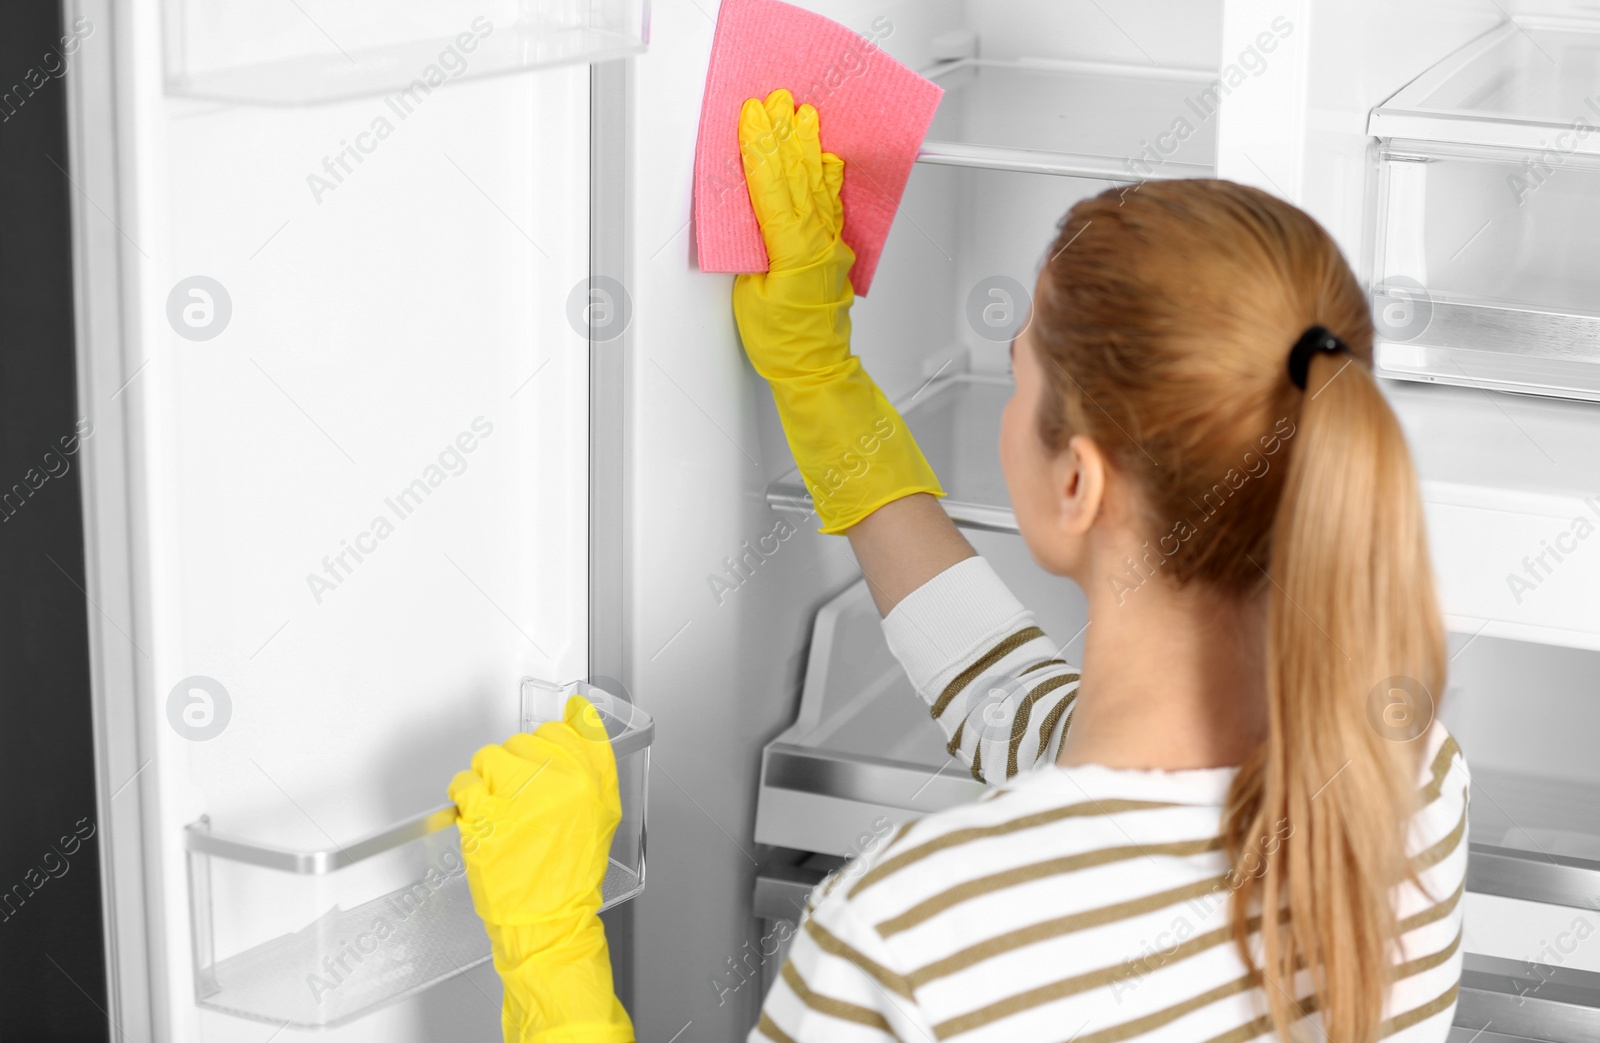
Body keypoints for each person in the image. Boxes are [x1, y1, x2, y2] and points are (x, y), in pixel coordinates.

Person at [451, 88, 1468, 1043]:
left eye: (1016, 370)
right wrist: (819, 379)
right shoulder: (1404, 780)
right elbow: (1022, 711)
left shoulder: (914, 937)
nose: (1006, 398)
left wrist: (551, 950)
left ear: (1077, 480)